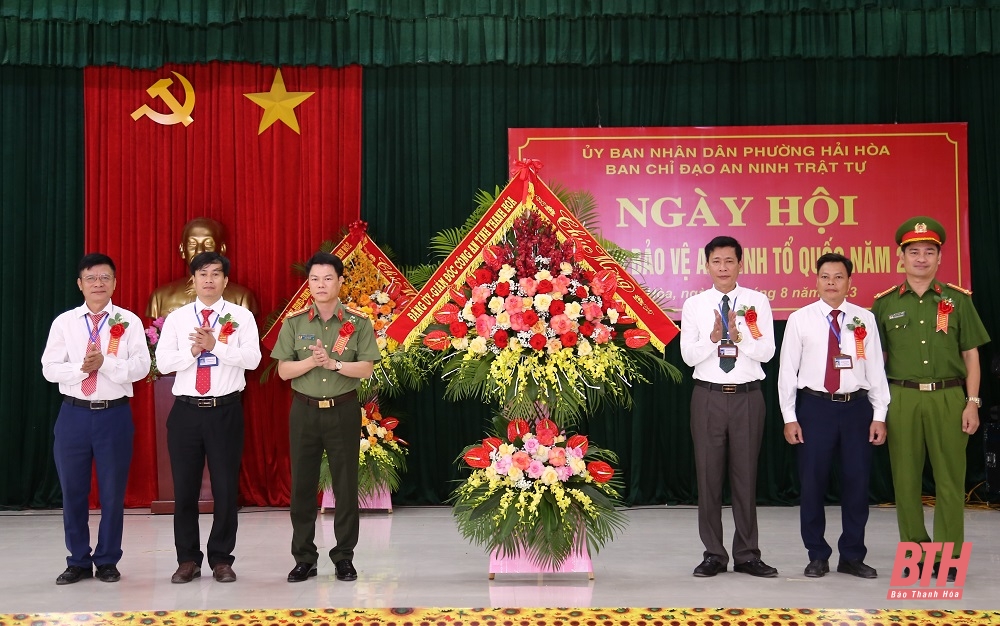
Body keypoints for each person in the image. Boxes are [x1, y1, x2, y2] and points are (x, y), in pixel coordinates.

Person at [871, 216, 989, 581]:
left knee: (950, 481)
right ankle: (916, 553)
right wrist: (879, 410)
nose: (921, 259)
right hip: (902, 399)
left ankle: (949, 558)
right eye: (913, 252)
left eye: (929, 252)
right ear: (901, 257)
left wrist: (973, 402)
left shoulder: (957, 300)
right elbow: (878, 362)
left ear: (939, 257)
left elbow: (971, 355)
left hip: (949, 398)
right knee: (905, 481)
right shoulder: (885, 305)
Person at [777, 252, 890, 579]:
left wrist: (879, 412)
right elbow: (787, 371)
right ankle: (817, 554)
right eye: (825, 276)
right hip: (814, 408)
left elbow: (876, 368)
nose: (831, 283)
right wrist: (789, 416)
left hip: (857, 408)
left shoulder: (864, 318)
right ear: (816, 280)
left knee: (857, 483)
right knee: (812, 484)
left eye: (838, 277)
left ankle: (852, 555)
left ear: (849, 282)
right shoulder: (801, 318)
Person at [41, 253, 150, 584]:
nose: (98, 284)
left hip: (113, 416)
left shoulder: (128, 321)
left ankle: (106, 560)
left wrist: (107, 364)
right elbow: (49, 367)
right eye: (91, 278)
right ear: (80, 284)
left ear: (115, 283)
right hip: (73, 414)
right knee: (73, 491)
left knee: (113, 493)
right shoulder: (64, 323)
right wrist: (81, 368)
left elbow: (142, 367)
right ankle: (77, 560)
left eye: (105, 278)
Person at [271, 252, 380, 583]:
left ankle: (344, 557)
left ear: (340, 282)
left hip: (343, 410)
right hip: (303, 412)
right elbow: (282, 371)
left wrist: (334, 364)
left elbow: (366, 368)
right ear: (309, 283)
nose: (320, 285)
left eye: (328, 278)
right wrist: (313, 362)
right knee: (302, 486)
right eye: (315, 279)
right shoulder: (295, 322)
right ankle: (304, 557)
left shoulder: (357, 323)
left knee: (345, 487)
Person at [155, 251, 261, 584]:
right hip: (186, 412)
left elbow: (253, 360)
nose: (210, 280)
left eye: (216, 274)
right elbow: (164, 363)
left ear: (226, 281)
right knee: (184, 491)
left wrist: (216, 346)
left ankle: (221, 559)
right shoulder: (177, 319)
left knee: (226, 489)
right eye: (203, 274)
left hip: (225, 411)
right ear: (194, 280)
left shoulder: (241, 317)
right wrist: (192, 351)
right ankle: (187, 559)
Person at [680, 236, 778, 578]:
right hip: (707, 396)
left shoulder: (756, 301)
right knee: (707, 477)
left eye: (729, 261)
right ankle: (713, 555)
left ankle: (748, 554)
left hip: (748, 398)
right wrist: (712, 338)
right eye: (716, 261)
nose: (723, 267)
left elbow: (767, 352)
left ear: (740, 264)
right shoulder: (694, 305)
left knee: (745, 478)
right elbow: (687, 356)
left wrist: (741, 338)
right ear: (707, 265)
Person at [146, 217, 259, 318]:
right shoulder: (160, 297)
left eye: (208, 244)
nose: (200, 251)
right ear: (182, 250)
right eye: (192, 244)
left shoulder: (241, 298)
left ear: (222, 249)